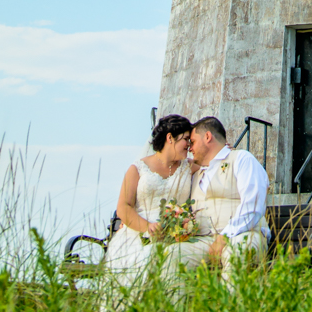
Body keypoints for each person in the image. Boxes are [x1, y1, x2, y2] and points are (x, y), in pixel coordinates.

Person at [162, 116, 270, 288]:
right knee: (172, 254)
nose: (190, 149)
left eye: (193, 142)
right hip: (206, 241)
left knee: (236, 253)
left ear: (208, 137)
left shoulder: (241, 159)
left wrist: (224, 237)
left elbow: (253, 204)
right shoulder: (195, 174)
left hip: (245, 235)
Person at [104, 114, 195, 285]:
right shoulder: (138, 168)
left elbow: (215, 164)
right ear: (170, 138)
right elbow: (123, 207)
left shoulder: (189, 166)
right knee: (143, 260)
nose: (189, 146)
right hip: (139, 232)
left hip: (176, 235)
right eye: (186, 139)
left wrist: (227, 151)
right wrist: (148, 227)